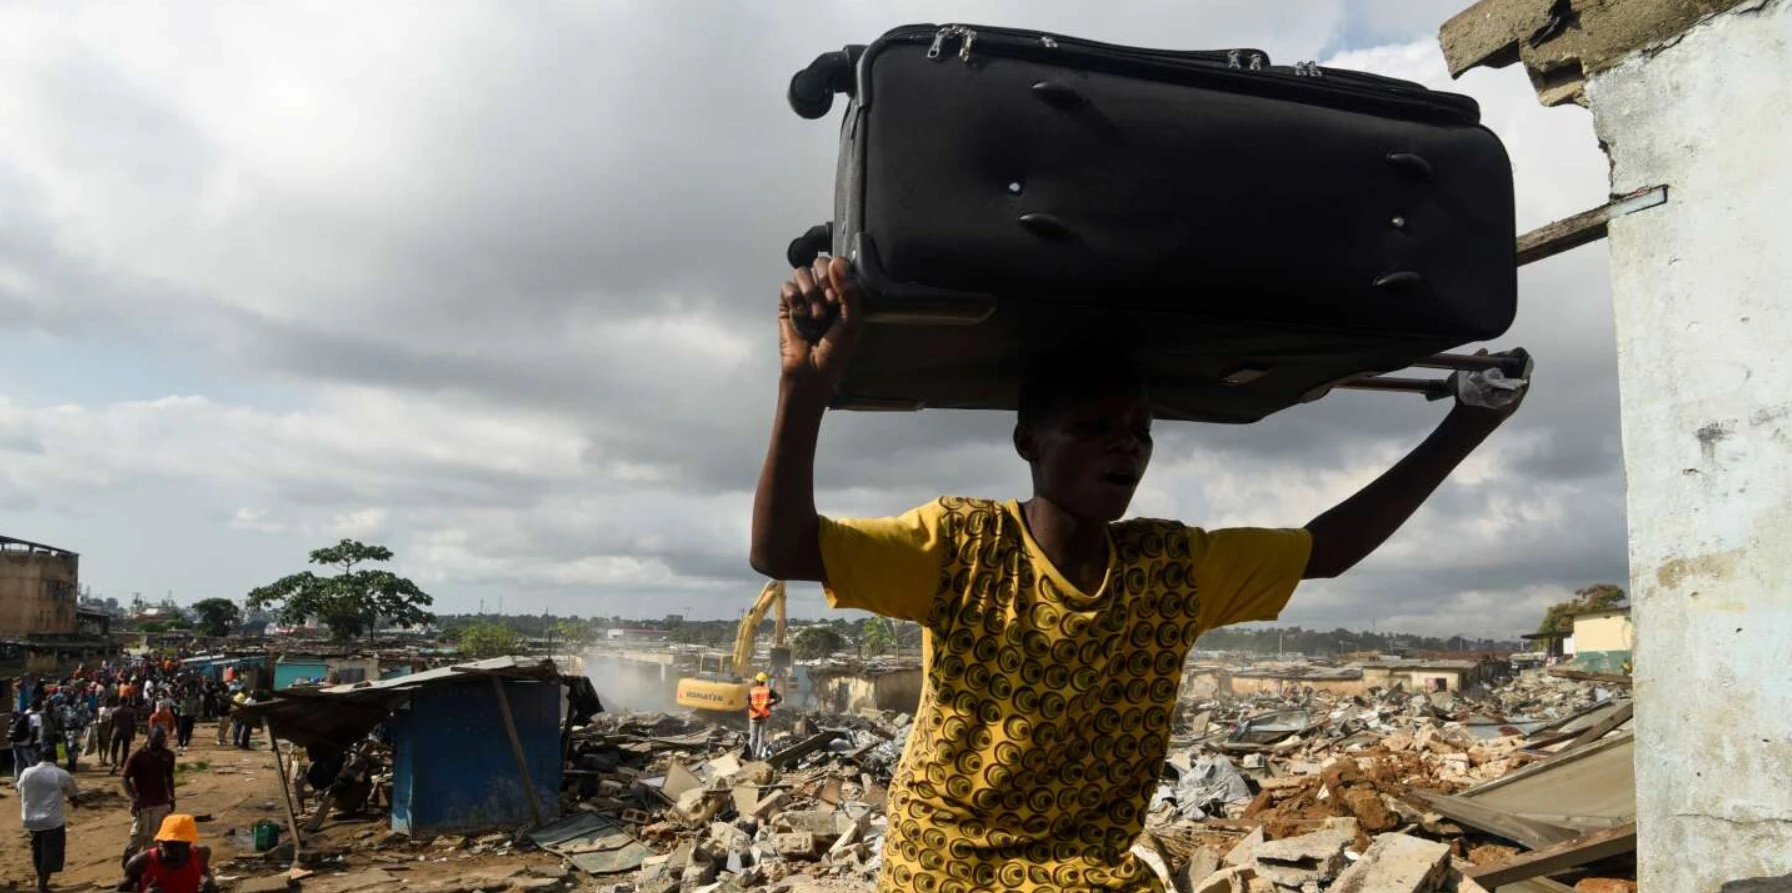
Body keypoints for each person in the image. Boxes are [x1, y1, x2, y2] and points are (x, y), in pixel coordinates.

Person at [749, 258, 1527, 891]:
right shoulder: (962, 545)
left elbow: (1325, 548)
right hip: (952, 864)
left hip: (1091, 871)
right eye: (1094, 428)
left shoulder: (1171, 569)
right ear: (1029, 443)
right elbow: (783, 551)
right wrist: (805, 384)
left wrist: (1468, 419)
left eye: (1139, 432)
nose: (1126, 447)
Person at [17, 750, 81, 893]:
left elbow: (19, 790)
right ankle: (43, 884)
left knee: (37, 851)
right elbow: (73, 794)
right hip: (52, 821)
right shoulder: (60, 774)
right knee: (51, 852)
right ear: (55, 760)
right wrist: (75, 802)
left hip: (31, 820)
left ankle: (41, 878)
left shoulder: (26, 772)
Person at [120, 727, 178, 867]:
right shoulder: (138, 755)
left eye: (162, 738)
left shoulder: (168, 755)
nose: (160, 741)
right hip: (142, 803)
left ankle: (146, 867)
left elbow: (169, 776)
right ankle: (128, 863)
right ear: (149, 737)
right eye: (157, 738)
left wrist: (172, 796)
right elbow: (125, 778)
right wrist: (134, 798)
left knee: (155, 836)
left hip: (161, 801)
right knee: (138, 837)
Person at [117, 814, 217, 893]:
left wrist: (208, 882)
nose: (171, 849)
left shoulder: (201, 855)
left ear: (188, 843)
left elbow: (203, 873)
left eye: (177, 844)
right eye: (166, 843)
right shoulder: (140, 862)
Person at [746, 672, 782, 759]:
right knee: (761, 736)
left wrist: (756, 710)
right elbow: (779, 698)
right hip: (764, 716)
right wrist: (770, 705)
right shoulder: (768, 690)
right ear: (764, 681)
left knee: (753, 736)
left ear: (757, 680)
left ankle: (750, 755)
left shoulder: (752, 690)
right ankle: (758, 756)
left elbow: (748, 704)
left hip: (754, 716)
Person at [109, 699, 139, 775]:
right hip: (127, 732)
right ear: (127, 702)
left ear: (119, 702)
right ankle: (123, 765)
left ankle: (114, 763)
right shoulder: (131, 711)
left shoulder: (114, 710)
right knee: (125, 749)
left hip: (116, 731)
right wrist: (133, 735)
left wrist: (109, 733)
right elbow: (133, 724)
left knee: (114, 749)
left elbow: (111, 723)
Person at [175, 687, 201, 753]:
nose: (187, 691)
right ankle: (180, 744)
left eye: (188, 690)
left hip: (191, 716)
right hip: (183, 716)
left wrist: (197, 714)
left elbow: (197, 707)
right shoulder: (181, 698)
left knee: (188, 731)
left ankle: (186, 744)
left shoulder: (194, 699)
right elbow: (175, 696)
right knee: (181, 731)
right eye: (186, 690)